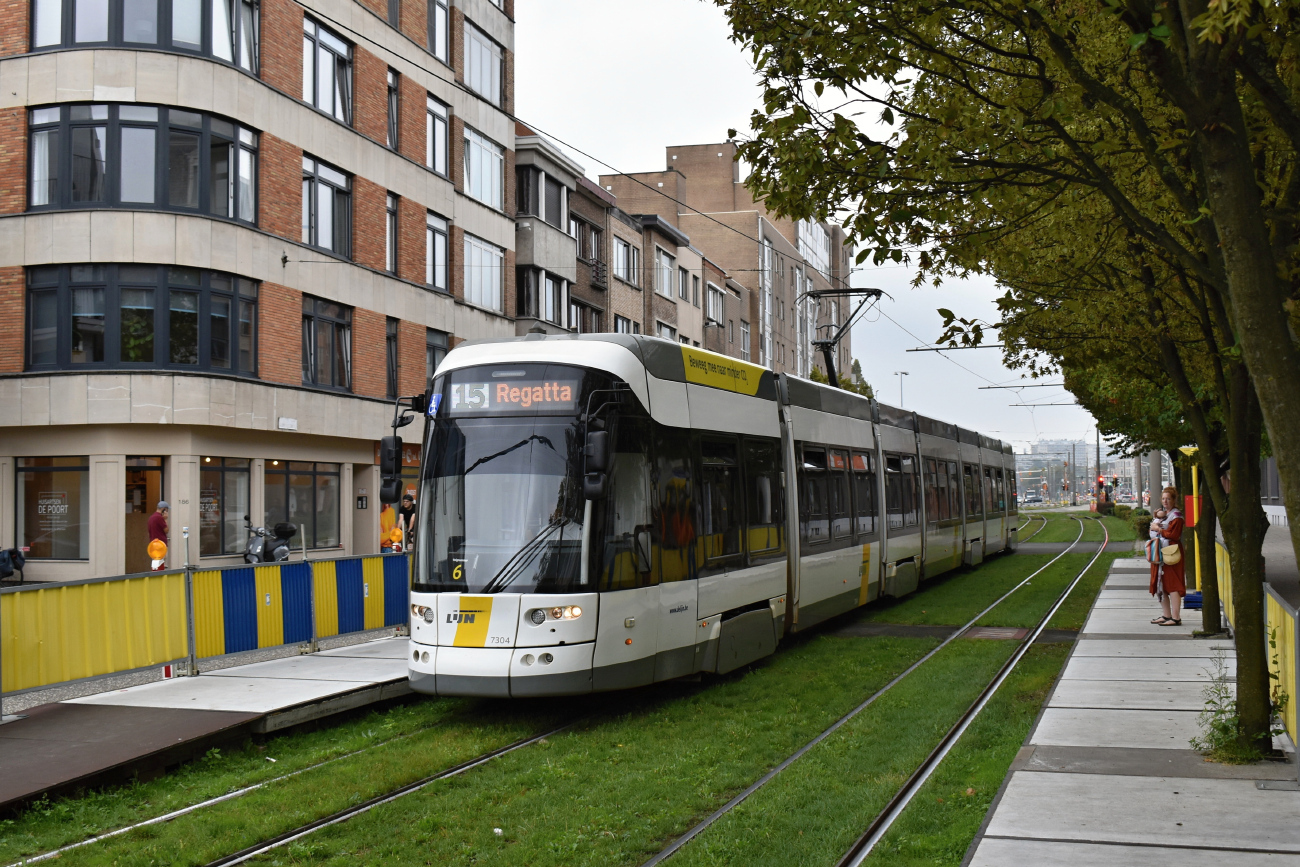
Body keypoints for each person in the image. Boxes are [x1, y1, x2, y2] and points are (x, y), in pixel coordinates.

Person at [1149, 486, 1185, 626]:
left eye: (1168, 499)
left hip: (1171, 553)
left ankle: (1175, 617)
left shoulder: (1176, 517)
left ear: (1174, 500)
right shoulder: (1164, 515)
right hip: (1160, 552)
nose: (1165, 501)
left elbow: (1174, 535)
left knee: (1173, 583)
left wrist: (1158, 529)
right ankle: (1166, 615)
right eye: (1163, 499)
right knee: (1161, 584)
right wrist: (1156, 519)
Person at [147, 501, 169, 571]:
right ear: (164, 509)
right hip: (161, 545)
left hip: (153, 545)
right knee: (162, 564)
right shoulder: (160, 518)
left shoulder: (151, 518)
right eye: (167, 510)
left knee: (155, 564)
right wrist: (165, 519)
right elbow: (166, 530)